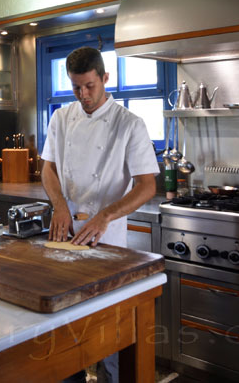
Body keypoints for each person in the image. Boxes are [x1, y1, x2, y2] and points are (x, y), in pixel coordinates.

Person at [40, 46, 159, 382]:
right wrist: (59, 205)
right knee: (65, 336)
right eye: (76, 87)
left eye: (89, 86)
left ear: (105, 78)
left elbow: (147, 185)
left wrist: (105, 216)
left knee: (109, 337)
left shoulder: (129, 124)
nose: (83, 95)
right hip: (65, 241)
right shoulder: (61, 118)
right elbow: (48, 169)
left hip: (108, 245)